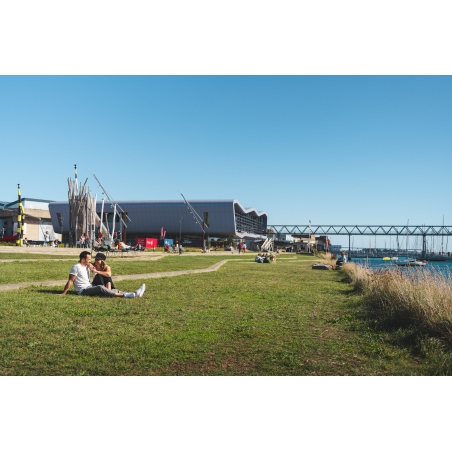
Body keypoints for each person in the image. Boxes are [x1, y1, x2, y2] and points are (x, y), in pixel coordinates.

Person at [59, 251, 145, 298]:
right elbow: (70, 281)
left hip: (90, 286)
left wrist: (91, 265)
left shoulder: (87, 265)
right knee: (101, 288)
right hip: (83, 291)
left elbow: (91, 265)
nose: (90, 261)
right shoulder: (76, 267)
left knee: (110, 289)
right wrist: (63, 293)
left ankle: (135, 293)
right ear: (83, 259)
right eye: (89, 259)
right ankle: (126, 295)